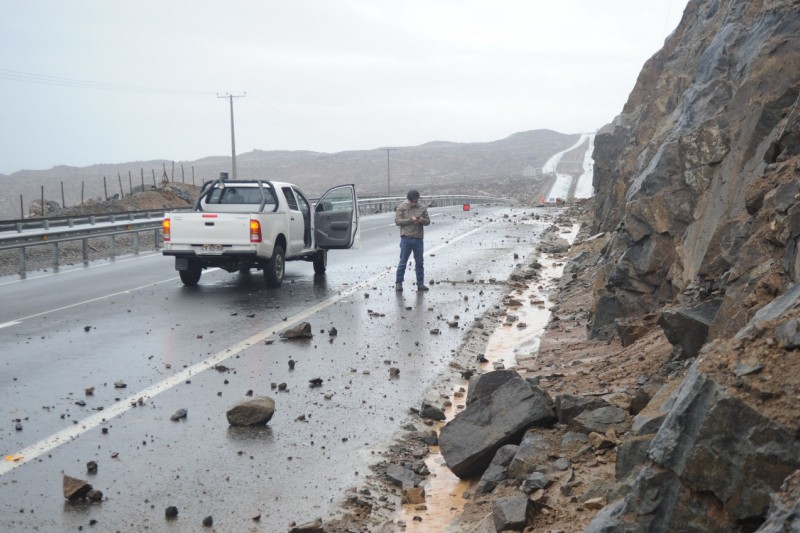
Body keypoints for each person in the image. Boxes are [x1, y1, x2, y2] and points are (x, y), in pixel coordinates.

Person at [395, 189, 430, 292]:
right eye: (412, 201)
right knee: (403, 262)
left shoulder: (422, 207)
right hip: (406, 237)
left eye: (416, 201)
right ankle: (398, 283)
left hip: (418, 238)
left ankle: (420, 284)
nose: (414, 203)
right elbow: (397, 221)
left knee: (419, 262)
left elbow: (428, 221)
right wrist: (410, 220)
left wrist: (422, 220)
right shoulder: (402, 207)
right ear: (409, 200)